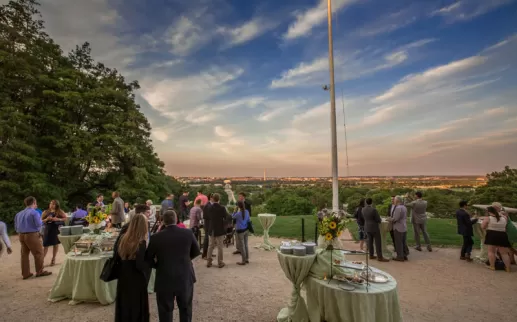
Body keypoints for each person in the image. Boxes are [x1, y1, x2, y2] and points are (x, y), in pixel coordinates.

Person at [146, 210, 200, 322]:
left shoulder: (156, 237)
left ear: (163, 221)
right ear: (176, 219)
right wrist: (186, 260)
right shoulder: (187, 233)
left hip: (164, 276)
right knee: (185, 308)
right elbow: (196, 251)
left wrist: (158, 265)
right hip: (184, 275)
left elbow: (148, 258)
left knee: (165, 310)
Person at [114, 214, 151, 322]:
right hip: (136, 276)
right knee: (137, 304)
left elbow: (116, 256)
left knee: (124, 302)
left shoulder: (123, 238)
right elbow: (140, 265)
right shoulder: (141, 242)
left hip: (124, 274)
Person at [14, 196, 52, 279]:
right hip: (31, 235)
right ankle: (40, 271)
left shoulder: (19, 214)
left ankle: (25, 273)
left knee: (24, 255)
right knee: (39, 253)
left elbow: (16, 227)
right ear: (34, 202)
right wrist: (44, 221)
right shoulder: (34, 213)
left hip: (21, 235)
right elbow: (38, 224)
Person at [482, 206, 512, 272]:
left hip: (492, 235)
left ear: (489, 212)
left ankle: (492, 266)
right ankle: (508, 268)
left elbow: (483, 226)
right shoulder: (504, 217)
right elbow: (505, 226)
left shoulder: (488, 218)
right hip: (502, 235)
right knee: (504, 253)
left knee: (491, 251)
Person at [205, 193, 229, 268]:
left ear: (213, 199)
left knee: (210, 246)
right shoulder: (222, 208)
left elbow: (208, 217)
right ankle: (220, 262)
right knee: (220, 247)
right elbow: (226, 217)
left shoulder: (210, 208)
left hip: (211, 228)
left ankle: (208, 261)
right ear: (219, 199)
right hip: (219, 229)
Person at [41, 200, 67, 266]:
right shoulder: (46, 211)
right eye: (50, 203)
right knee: (45, 245)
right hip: (47, 229)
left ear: (56, 205)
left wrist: (58, 219)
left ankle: (53, 259)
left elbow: (65, 218)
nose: (51, 205)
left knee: (55, 244)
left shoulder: (59, 211)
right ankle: (41, 260)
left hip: (55, 229)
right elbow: (41, 220)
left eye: (53, 204)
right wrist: (47, 219)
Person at [388, 196, 409, 262]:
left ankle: (400, 257)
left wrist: (389, 219)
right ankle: (404, 255)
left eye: (395, 200)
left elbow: (395, 219)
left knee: (398, 242)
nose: (393, 201)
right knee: (403, 242)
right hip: (404, 226)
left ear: (397, 201)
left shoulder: (398, 208)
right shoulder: (404, 207)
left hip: (398, 227)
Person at [233, 201, 251, 265]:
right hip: (246, 230)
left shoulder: (238, 214)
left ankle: (243, 260)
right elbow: (249, 220)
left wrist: (235, 210)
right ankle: (246, 259)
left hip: (240, 231)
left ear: (238, 206)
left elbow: (232, 217)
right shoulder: (247, 212)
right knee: (246, 245)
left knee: (242, 246)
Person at [201, 193, 213, 260]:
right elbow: (206, 216)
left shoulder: (210, 205)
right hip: (208, 224)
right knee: (207, 239)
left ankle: (209, 253)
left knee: (210, 239)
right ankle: (204, 254)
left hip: (210, 224)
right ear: (210, 198)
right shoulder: (207, 206)